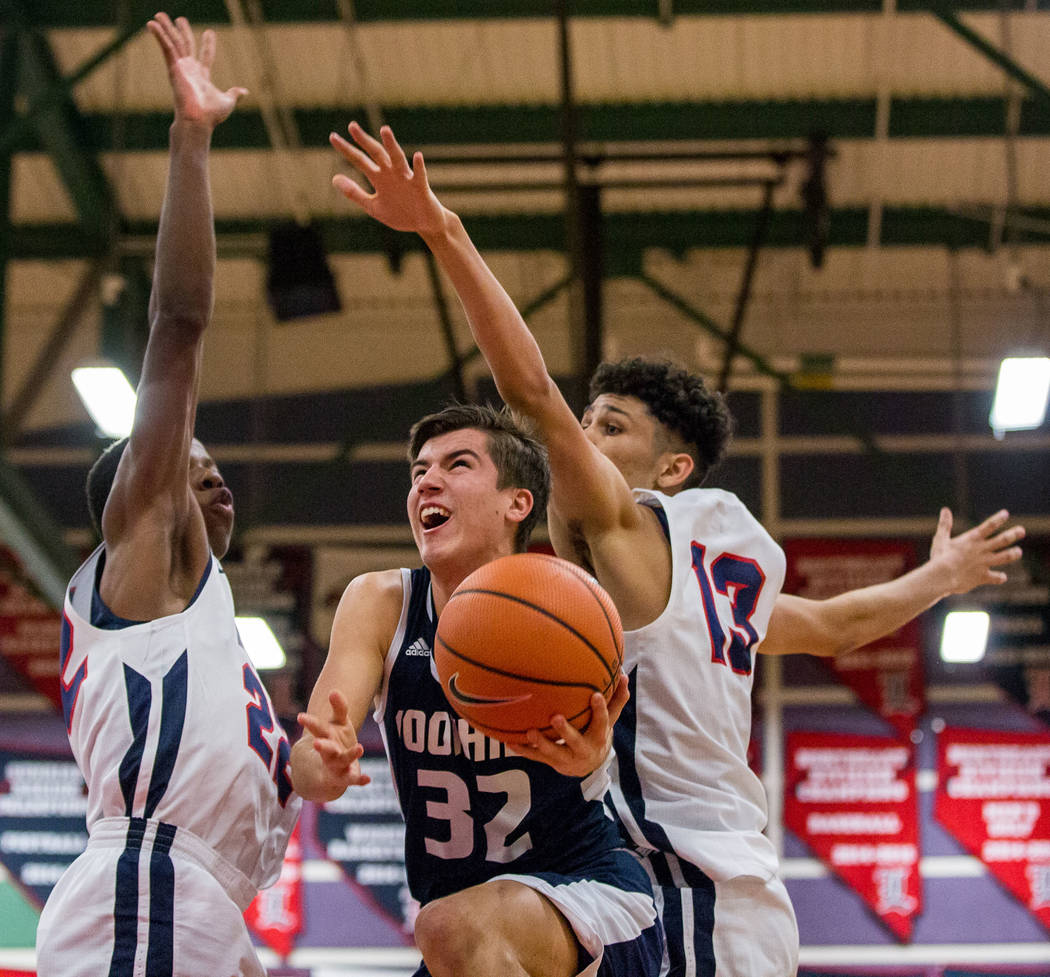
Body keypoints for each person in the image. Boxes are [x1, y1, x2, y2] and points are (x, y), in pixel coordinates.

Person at [327, 121, 1027, 977]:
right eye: (589, 422)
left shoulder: (631, 535)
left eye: (608, 426)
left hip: (678, 873)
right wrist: (940, 575)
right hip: (720, 883)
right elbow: (839, 625)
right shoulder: (720, 556)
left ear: (673, 466)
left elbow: (532, 393)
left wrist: (444, 231)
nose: (582, 439)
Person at [35, 16, 300, 977]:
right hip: (146, 888)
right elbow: (178, 323)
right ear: (143, 493)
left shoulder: (201, 622)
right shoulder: (139, 551)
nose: (209, 472)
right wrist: (191, 139)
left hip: (204, 905)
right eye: (190, 462)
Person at [290, 402, 663, 977]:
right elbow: (310, 769)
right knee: (449, 928)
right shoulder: (381, 603)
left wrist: (590, 760)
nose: (427, 481)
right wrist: (326, 763)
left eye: (457, 464)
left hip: (588, 894)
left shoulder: (562, 604)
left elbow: (597, 758)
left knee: (446, 926)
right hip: (466, 932)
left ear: (517, 503)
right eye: (418, 472)